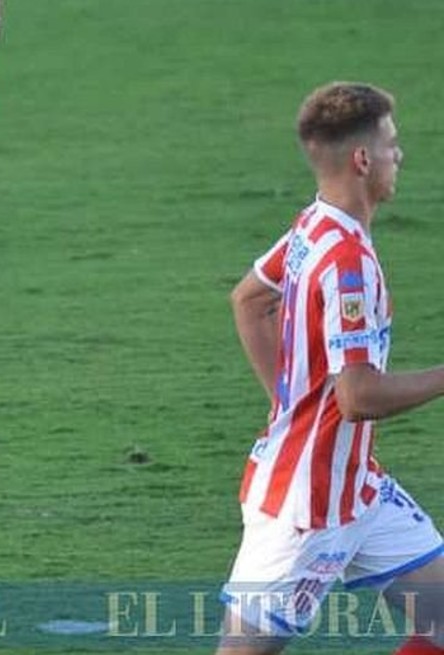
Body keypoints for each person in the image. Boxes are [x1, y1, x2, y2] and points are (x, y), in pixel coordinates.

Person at [221, 82, 442, 655]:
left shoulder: (311, 226)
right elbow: (358, 396)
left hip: (359, 491)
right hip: (304, 510)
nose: (400, 157)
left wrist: (290, 403)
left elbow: (248, 299)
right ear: (363, 159)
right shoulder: (348, 262)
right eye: (392, 145)